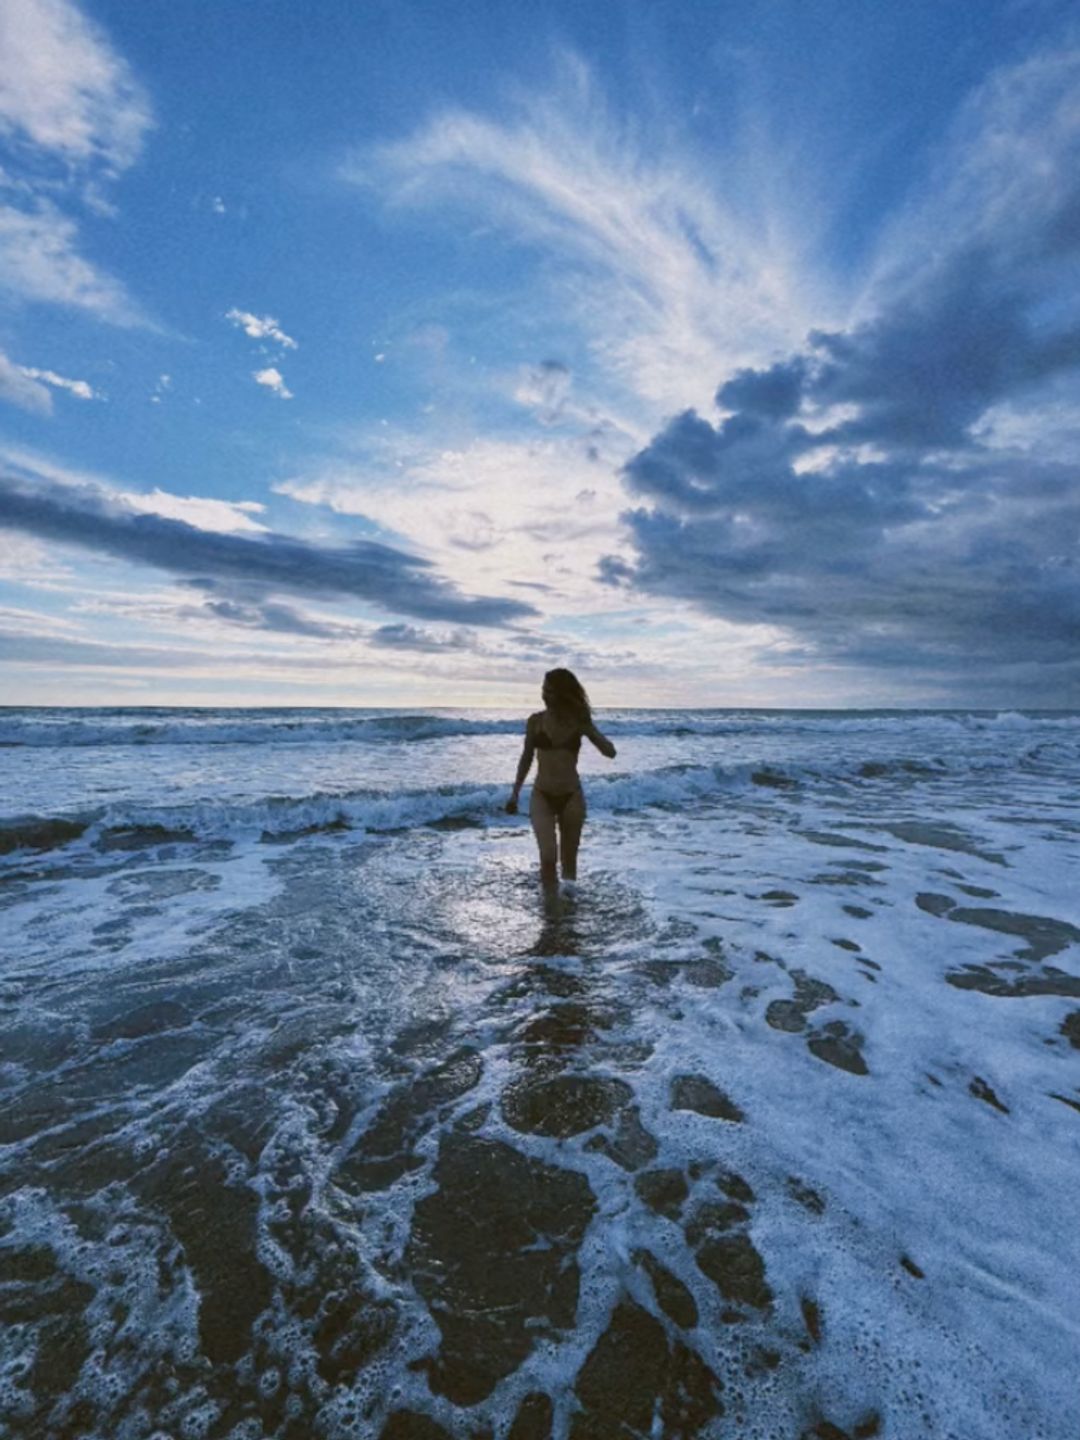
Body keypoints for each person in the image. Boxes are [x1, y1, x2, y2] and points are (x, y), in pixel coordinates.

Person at [505, 668, 617, 887]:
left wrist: (589, 730)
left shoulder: (578, 722)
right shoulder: (535, 722)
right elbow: (526, 758)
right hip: (542, 795)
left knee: (569, 863)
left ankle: (567, 911)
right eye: (544, 690)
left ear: (563, 693)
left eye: (550, 691)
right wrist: (515, 793)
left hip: (571, 796)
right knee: (547, 858)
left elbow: (610, 752)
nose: (545, 695)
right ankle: (550, 910)